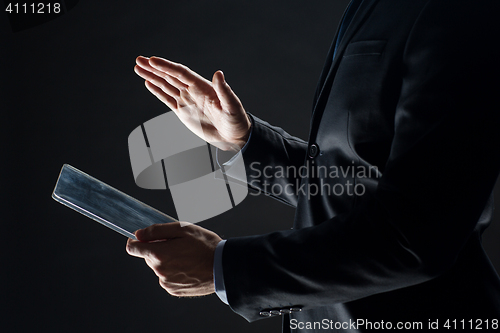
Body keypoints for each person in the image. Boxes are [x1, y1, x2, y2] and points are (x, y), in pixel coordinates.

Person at [126, 0, 500, 331]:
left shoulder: (463, 11)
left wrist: (223, 267)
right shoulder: (368, 6)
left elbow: (415, 235)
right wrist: (245, 141)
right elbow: (356, 184)